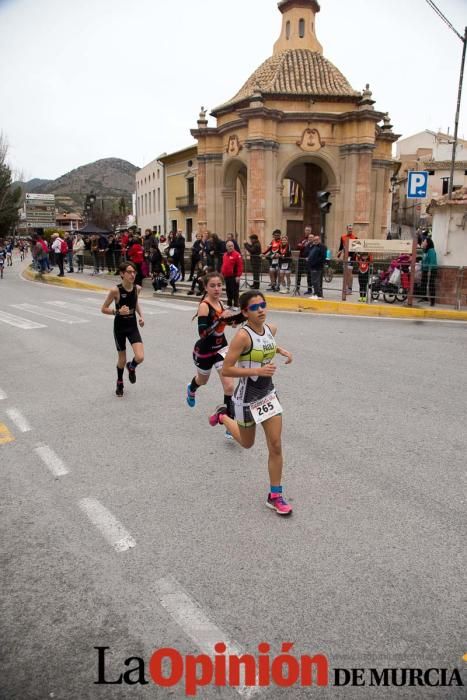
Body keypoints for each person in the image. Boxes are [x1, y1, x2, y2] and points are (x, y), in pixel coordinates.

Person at [208, 290, 293, 516]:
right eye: (255, 307)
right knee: (247, 444)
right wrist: (258, 370)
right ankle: (223, 416)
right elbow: (227, 368)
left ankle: (275, 495)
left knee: (275, 445)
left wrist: (281, 349)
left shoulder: (270, 329)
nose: (261, 309)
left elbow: (266, 343)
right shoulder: (241, 337)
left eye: (263, 305)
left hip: (268, 395)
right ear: (245, 312)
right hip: (246, 398)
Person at [186, 272, 241, 439]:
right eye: (212, 286)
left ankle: (229, 423)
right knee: (202, 380)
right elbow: (203, 333)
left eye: (219, 285)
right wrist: (221, 320)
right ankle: (191, 388)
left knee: (229, 386)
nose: (217, 289)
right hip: (205, 350)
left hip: (221, 348)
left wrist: (235, 320)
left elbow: (225, 323)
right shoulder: (204, 306)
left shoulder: (221, 303)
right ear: (206, 288)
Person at [101, 261, 145, 397]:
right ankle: (119, 381)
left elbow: (135, 302)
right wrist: (118, 312)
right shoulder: (115, 290)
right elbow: (103, 309)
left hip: (132, 326)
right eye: (129, 272)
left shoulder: (137, 288)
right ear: (122, 274)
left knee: (140, 357)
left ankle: (131, 367)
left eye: (134, 272)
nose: (133, 275)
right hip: (119, 327)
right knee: (122, 359)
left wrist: (141, 316)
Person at [221, 240, 243, 309]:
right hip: (227, 276)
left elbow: (240, 266)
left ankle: (236, 305)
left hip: (234, 276)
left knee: (235, 291)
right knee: (228, 290)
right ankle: (229, 304)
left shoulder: (237, 255)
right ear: (226, 247)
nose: (231, 247)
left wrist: (238, 276)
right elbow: (224, 265)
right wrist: (222, 273)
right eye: (229, 246)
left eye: (232, 246)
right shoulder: (224, 255)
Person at [337, 224, 357, 294]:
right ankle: (344, 288)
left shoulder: (355, 237)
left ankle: (350, 288)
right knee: (345, 273)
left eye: (351, 229)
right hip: (345, 257)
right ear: (347, 229)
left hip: (351, 257)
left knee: (349, 273)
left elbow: (357, 249)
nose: (350, 230)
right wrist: (338, 255)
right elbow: (341, 247)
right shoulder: (343, 237)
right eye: (349, 229)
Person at [306, 234, 326, 298]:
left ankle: (318, 295)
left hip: (318, 267)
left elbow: (322, 257)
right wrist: (309, 258)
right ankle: (316, 294)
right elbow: (310, 254)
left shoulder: (322, 247)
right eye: (314, 240)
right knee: (313, 281)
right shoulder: (314, 246)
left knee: (316, 282)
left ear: (320, 240)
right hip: (312, 266)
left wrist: (314, 262)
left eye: (317, 240)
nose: (315, 241)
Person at [421, 237, 437, 306]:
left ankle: (432, 301)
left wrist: (430, 271)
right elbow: (423, 260)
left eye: (424, 241)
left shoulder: (431, 251)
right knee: (423, 283)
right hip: (425, 270)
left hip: (431, 270)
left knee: (431, 285)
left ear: (427, 243)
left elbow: (432, 261)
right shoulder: (425, 250)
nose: (423, 242)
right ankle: (424, 297)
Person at [296, 226, 313, 293]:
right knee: (298, 274)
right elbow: (298, 246)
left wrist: (302, 246)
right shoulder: (302, 239)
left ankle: (309, 289)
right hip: (301, 259)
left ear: (310, 231)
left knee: (309, 275)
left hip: (308, 260)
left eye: (309, 230)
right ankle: (297, 287)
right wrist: (303, 246)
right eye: (306, 230)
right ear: (304, 231)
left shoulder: (312, 239)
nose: (307, 231)